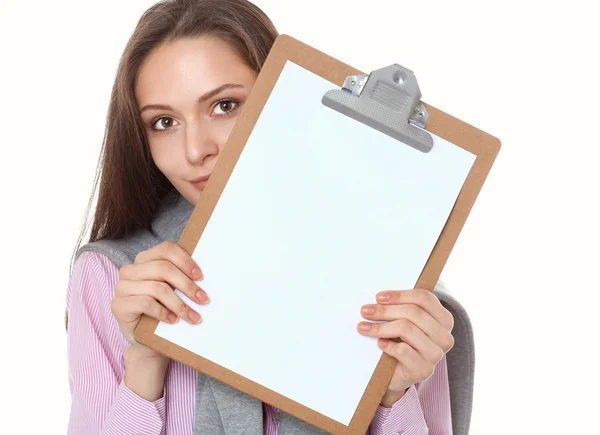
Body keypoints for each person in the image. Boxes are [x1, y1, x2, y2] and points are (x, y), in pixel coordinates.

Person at [66, 0, 456, 433]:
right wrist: (143, 360)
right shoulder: (110, 277)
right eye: (163, 122)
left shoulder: (394, 283)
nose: (196, 150)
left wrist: (391, 393)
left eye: (224, 106)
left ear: (286, 100)